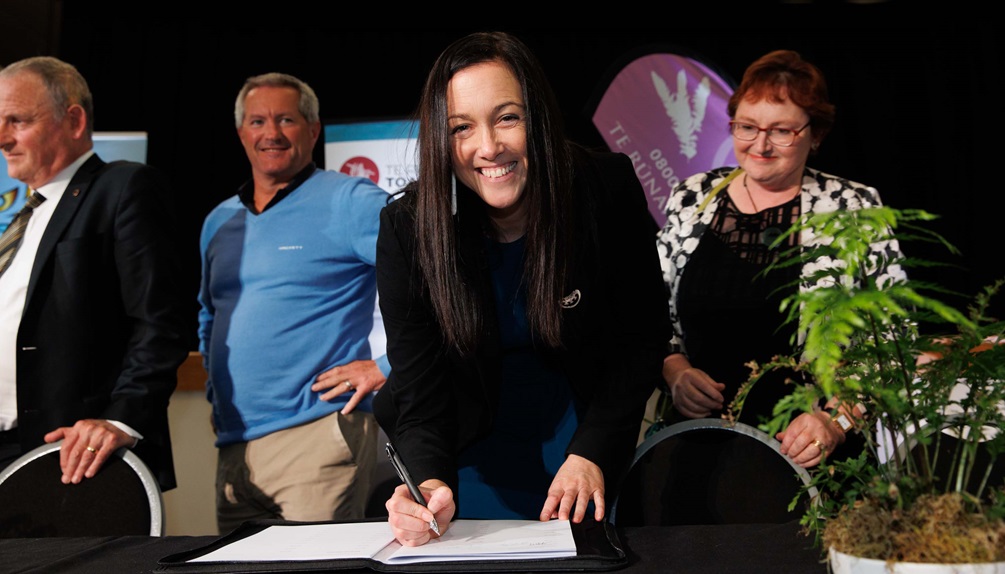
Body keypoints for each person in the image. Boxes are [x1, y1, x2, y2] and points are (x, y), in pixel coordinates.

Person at [375, 31, 670, 546]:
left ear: (538, 117)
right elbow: (420, 393)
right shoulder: (407, 228)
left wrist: (593, 452)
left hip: (581, 446)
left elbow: (640, 337)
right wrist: (427, 485)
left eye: (507, 117)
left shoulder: (605, 188)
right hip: (467, 456)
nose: (488, 147)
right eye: (461, 127)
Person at [654, 49, 907, 469]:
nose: (761, 145)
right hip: (697, 453)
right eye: (747, 127)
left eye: (781, 131)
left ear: (816, 133)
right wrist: (675, 371)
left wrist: (836, 420)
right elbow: (650, 315)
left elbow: (892, 344)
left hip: (813, 459)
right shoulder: (693, 196)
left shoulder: (854, 207)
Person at [198, 72, 391, 533]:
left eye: (286, 119)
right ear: (241, 132)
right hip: (234, 448)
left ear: (313, 129)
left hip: (317, 435)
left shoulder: (352, 201)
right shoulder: (219, 220)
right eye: (258, 121)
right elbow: (209, 314)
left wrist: (389, 364)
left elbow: (439, 278)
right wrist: (216, 390)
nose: (271, 133)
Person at [0, 56, 189, 490]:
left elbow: (160, 321)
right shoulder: (21, 220)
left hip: (76, 454)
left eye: (17, 121)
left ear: (73, 119)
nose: (2, 138)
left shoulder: (122, 188)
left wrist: (119, 418)